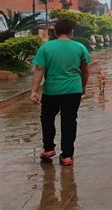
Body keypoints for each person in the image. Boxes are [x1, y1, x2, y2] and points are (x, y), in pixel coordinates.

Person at [30, 19, 90, 166]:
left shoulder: (46, 47)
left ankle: (49, 148)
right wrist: (83, 86)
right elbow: (85, 70)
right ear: (71, 32)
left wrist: (34, 91)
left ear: (55, 32)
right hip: (73, 89)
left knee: (47, 118)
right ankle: (67, 156)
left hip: (52, 90)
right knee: (69, 121)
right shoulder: (80, 47)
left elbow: (39, 69)